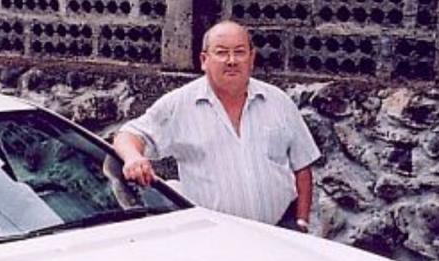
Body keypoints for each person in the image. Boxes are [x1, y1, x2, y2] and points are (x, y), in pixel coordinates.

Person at [113, 20, 321, 231]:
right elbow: (128, 135)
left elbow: (302, 165)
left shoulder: (279, 102)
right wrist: (133, 157)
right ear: (204, 60)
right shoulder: (179, 105)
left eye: (240, 52)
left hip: (280, 230)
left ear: (252, 58)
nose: (231, 60)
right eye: (221, 52)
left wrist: (301, 221)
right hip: (214, 237)